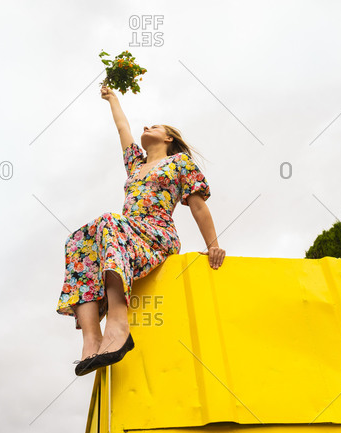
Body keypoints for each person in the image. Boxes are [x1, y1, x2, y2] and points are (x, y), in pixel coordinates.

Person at [57, 85, 226, 376]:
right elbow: (122, 127)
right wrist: (113, 98)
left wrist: (213, 244)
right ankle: (91, 338)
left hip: (156, 234)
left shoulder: (179, 163)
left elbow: (197, 206)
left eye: (156, 126)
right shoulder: (135, 164)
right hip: (126, 234)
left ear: (169, 137)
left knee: (108, 221)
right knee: (78, 240)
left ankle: (118, 323)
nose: (146, 126)